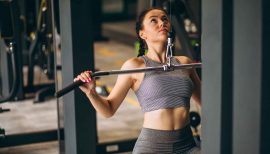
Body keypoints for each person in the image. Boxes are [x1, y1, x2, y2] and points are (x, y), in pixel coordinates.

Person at [74, 7, 201, 154]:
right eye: (154, 20)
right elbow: (108, 109)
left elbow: (208, 103)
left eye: (164, 19)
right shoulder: (134, 66)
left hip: (187, 145)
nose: (162, 23)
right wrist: (91, 92)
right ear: (142, 34)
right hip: (152, 147)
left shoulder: (185, 63)